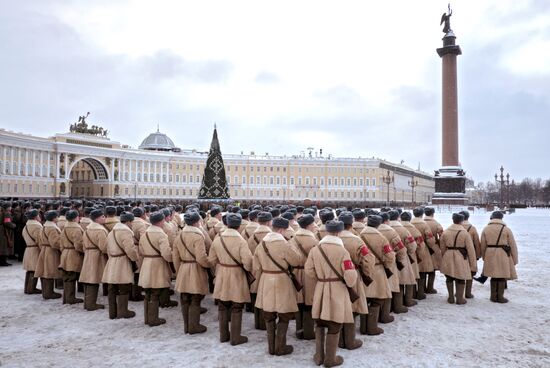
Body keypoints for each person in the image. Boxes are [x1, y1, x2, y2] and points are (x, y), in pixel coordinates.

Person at [305, 220, 357, 367]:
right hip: (337, 290)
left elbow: (308, 270)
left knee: (320, 322)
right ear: (339, 233)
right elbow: (350, 276)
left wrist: (321, 279)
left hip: (321, 287)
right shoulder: (343, 251)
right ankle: (330, 359)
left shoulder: (316, 249)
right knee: (335, 324)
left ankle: (319, 356)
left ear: (327, 232)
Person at [254, 216, 302, 355]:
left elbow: (255, 265)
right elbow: (296, 260)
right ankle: (280, 347)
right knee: (284, 313)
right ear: (281, 230)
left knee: (268, 314)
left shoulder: (262, 244)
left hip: (266, 279)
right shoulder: (284, 244)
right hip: (282, 280)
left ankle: (271, 347)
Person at [208, 213, 253, 346]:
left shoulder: (218, 239)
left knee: (222, 305)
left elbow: (211, 260)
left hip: (221, 273)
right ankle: (235, 336)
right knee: (237, 306)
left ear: (227, 224)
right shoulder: (241, 241)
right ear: (239, 226)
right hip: (237, 274)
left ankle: (223, 335)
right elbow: (247, 262)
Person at [173, 210, 211, 334]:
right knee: (195, 297)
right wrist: (208, 265)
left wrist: (179, 270)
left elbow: (175, 257)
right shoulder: (198, 236)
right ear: (196, 222)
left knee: (184, 298)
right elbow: (201, 257)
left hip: (183, 267)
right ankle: (194, 326)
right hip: (195, 268)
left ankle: (187, 326)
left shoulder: (179, 235)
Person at [337, 211, 371, 350]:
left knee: (339, 307)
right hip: (354, 274)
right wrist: (366, 273)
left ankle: (340, 340)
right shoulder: (356, 240)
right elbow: (368, 259)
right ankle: (350, 340)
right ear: (351, 224)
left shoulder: (331, 238)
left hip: (335, 278)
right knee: (353, 307)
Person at [139, 211, 174, 326]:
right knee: (155, 291)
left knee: (148, 292)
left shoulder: (145, 233)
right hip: (157, 264)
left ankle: (147, 318)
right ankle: (153, 319)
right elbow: (166, 254)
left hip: (147, 263)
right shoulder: (161, 235)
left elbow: (141, 251)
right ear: (161, 221)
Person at [359, 215, 393, 335]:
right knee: (377, 299)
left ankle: (363, 327)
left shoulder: (359, 235)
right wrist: (387, 264)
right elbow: (389, 256)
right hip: (378, 269)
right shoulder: (382, 238)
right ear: (378, 224)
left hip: (363, 270)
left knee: (365, 298)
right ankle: (372, 327)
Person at [102, 211, 139, 319]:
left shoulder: (112, 232)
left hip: (112, 260)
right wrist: (135, 258)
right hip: (122, 261)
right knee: (124, 287)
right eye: (131, 221)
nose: (132, 224)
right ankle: (123, 311)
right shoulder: (125, 232)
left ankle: (112, 312)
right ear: (128, 221)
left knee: (112, 288)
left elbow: (106, 248)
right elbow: (130, 249)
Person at [289, 214, 319, 340]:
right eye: (313, 224)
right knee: (309, 302)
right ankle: (308, 331)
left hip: (295, 273)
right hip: (309, 274)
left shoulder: (292, 239)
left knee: (298, 302)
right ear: (308, 225)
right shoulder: (314, 241)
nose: (315, 226)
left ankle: (299, 329)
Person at [480, 211, 518, 303]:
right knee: (501, 275)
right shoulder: (506, 229)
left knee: (493, 275)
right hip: (503, 254)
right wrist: (515, 259)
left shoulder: (486, 229)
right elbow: (513, 245)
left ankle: (493, 296)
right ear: (501, 218)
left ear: (492, 217)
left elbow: (483, 245)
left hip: (490, 253)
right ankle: (500, 297)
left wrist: (484, 256)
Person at [440, 213, 476, 305]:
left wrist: (445, 256)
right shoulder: (465, 233)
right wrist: (473, 265)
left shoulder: (446, 232)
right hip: (461, 257)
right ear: (462, 221)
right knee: (461, 277)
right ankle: (460, 298)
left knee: (449, 277)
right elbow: (471, 250)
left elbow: (442, 247)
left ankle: (451, 297)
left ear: (453, 219)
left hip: (448, 255)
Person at [377, 212, 409, 314]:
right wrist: (399, 260)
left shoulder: (370, 232)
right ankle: (390, 310)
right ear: (387, 220)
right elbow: (402, 250)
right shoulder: (392, 232)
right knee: (393, 286)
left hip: (375, 265)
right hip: (390, 262)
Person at [79, 209, 109, 311]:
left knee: (88, 279)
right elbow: (104, 247)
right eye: (102, 216)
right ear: (97, 218)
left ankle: (87, 303)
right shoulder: (100, 230)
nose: (104, 218)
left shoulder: (88, 229)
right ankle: (91, 304)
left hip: (88, 254)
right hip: (96, 256)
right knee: (93, 279)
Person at [388, 210, 418, 307]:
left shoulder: (384, 228)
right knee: (405, 280)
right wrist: (408, 254)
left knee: (392, 282)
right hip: (402, 257)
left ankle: (392, 305)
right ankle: (404, 302)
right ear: (398, 218)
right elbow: (412, 245)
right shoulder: (404, 230)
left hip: (388, 259)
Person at [248, 211, 273, 329]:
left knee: (257, 295)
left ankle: (257, 321)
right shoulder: (272, 236)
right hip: (270, 271)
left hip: (255, 268)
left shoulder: (251, 235)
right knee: (266, 297)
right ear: (269, 222)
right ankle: (263, 323)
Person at [400, 211, 433, 300]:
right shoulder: (415, 228)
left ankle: (404, 298)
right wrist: (419, 253)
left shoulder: (397, 227)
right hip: (413, 254)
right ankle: (417, 294)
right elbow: (422, 243)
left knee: (401, 276)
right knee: (417, 273)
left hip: (399, 255)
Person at [34, 210, 62, 299]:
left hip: (44, 249)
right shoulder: (52, 228)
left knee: (45, 271)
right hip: (51, 251)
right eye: (57, 216)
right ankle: (49, 293)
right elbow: (55, 242)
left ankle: (47, 292)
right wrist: (62, 247)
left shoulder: (44, 226)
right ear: (54, 218)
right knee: (49, 271)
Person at [59, 210, 84, 304]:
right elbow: (78, 245)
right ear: (75, 218)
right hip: (73, 254)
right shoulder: (76, 229)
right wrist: (83, 251)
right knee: (71, 276)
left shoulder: (65, 228)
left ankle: (66, 297)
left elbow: (61, 243)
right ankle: (70, 298)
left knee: (67, 276)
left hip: (65, 253)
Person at [411, 207, 438, 294]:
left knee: (414, 270)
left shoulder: (410, 223)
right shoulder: (424, 225)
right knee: (422, 270)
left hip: (411, 249)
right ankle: (421, 292)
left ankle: (413, 292)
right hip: (423, 249)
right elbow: (430, 240)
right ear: (422, 214)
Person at [460, 210, 481, 298]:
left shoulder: (455, 226)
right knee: (470, 272)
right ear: (468, 217)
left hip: (457, 253)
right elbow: (477, 243)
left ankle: (458, 292)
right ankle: (468, 293)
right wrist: (478, 255)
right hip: (469, 253)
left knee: (459, 272)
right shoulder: (472, 228)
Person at [21, 209, 43, 294]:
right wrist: (42, 249)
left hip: (29, 249)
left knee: (30, 269)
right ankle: (31, 288)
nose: (39, 216)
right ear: (35, 216)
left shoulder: (26, 226)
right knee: (34, 269)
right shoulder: (36, 226)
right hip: (35, 249)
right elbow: (40, 239)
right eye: (38, 215)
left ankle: (27, 288)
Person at [423, 207, 443, 293]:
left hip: (422, 247)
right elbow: (442, 237)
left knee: (422, 268)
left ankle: (422, 288)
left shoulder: (421, 222)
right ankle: (430, 287)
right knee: (432, 268)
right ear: (433, 213)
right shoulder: (436, 224)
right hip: (433, 248)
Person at [0, 202, 16, 266]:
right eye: (10, 206)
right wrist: (14, 225)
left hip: (1, 230)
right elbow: (7, 223)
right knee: (4, 246)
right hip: (4, 231)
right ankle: (3, 262)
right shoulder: (7, 213)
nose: (10, 207)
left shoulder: (1, 212)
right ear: (7, 207)